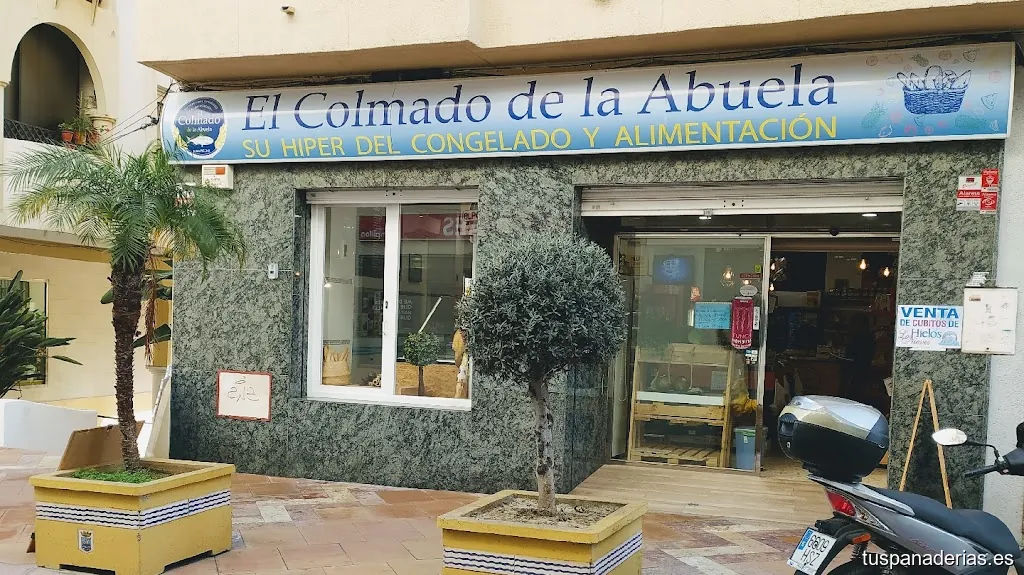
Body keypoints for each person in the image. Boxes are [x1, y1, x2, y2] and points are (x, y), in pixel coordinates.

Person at [843, 315, 876, 400]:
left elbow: (850, 353)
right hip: (865, 366)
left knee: (851, 389)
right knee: (860, 389)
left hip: (854, 367)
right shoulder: (870, 337)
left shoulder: (855, 337)